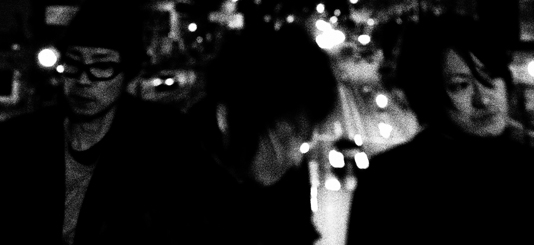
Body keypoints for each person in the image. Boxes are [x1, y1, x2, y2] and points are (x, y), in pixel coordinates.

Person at [0, 0, 176, 244]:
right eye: (73, 63)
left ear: (128, 73)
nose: (83, 80)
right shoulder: (19, 139)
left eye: (102, 66)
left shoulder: (161, 145)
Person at [346, 13, 534, 244]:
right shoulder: (390, 184)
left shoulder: (525, 167)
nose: (483, 99)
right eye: (460, 85)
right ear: (428, 96)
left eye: (491, 77)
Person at [167, 20, 339, 244]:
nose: (296, 158)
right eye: (291, 134)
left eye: (304, 141)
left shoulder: (289, 179)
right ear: (240, 114)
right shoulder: (169, 173)